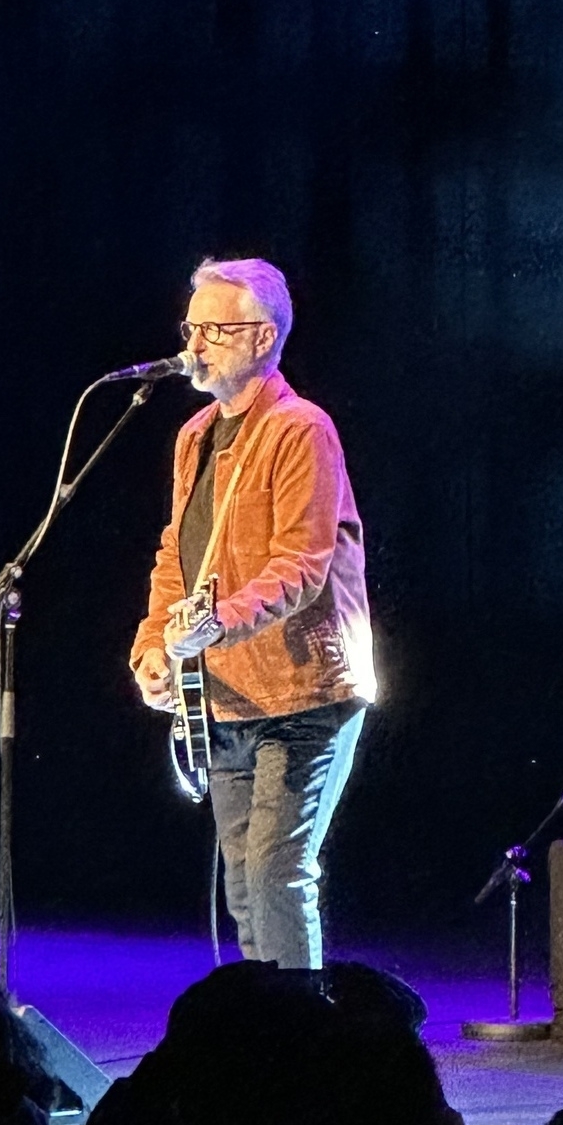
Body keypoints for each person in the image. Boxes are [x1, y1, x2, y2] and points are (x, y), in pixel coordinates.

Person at [130, 258, 375, 969]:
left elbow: (301, 566)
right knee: (243, 883)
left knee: (276, 875)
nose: (194, 346)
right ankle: (262, 1043)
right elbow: (177, 555)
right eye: (191, 328)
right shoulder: (194, 436)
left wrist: (217, 625)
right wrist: (153, 644)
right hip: (228, 694)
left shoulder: (302, 429)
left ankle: (304, 1050)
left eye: (214, 330)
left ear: (263, 337)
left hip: (306, 693)